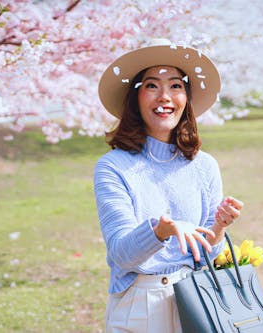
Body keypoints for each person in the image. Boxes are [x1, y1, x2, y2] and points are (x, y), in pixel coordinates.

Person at [94, 39, 244, 333]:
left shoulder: (204, 165)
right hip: (140, 305)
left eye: (175, 86)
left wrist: (220, 226)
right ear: (134, 98)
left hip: (199, 300)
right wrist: (161, 229)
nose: (164, 96)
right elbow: (121, 255)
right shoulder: (113, 167)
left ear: (186, 97)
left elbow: (207, 252)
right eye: (151, 86)